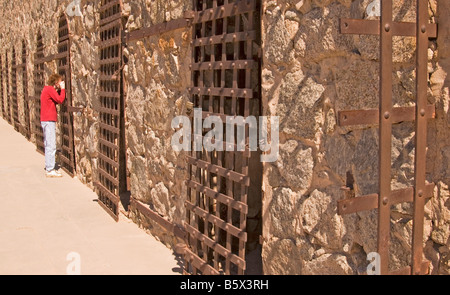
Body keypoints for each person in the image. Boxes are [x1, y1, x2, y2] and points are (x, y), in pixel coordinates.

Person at [40, 74, 66, 178]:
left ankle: (49, 167)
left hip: (46, 120)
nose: (61, 83)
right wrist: (63, 89)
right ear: (56, 82)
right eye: (60, 81)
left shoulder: (46, 89)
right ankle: (50, 169)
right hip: (48, 120)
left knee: (48, 144)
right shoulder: (50, 89)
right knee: (51, 144)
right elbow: (60, 100)